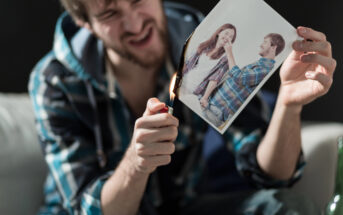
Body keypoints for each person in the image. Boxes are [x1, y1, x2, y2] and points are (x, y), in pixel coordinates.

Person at [28, 0, 336, 215]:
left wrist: (288, 105)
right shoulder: (55, 82)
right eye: (110, 14)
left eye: (138, 0)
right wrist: (138, 162)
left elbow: (271, 175)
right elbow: (91, 211)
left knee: (282, 205)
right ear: (85, 23)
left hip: (183, 207)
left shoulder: (202, 43)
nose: (135, 25)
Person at [202, 33, 285, 127]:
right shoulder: (260, 64)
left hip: (216, 112)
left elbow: (238, 77)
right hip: (212, 106)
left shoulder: (264, 70)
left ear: (273, 47)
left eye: (265, 42)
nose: (261, 45)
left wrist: (229, 51)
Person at [182, 23, 236, 98]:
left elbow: (215, 79)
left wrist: (205, 98)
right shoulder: (205, 45)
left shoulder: (225, 58)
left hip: (194, 89)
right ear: (219, 32)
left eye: (231, 37)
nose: (227, 37)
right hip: (184, 79)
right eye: (226, 33)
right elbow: (188, 63)